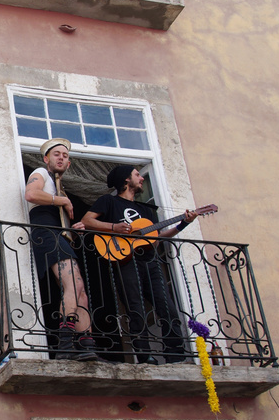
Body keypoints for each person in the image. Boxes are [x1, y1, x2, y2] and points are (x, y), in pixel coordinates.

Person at [81, 165, 197, 364]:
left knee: (166, 305)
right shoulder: (109, 201)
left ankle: (175, 352)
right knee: (135, 307)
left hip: (149, 261)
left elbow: (157, 237)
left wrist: (183, 223)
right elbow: (88, 220)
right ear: (126, 180)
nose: (142, 178)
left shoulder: (145, 210)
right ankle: (144, 355)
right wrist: (114, 227)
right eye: (137, 175)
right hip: (125, 260)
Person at [24, 137, 97, 359]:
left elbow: (64, 225)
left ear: (69, 164)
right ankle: (65, 346)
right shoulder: (41, 173)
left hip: (58, 235)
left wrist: (76, 229)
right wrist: (62, 201)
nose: (61, 158)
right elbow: (31, 194)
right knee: (74, 286)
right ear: (47, 158)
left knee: (80, 292)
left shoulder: (60, 189)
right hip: (46, 232)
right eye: (56, 154)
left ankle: (87, 347)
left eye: (65, 156)